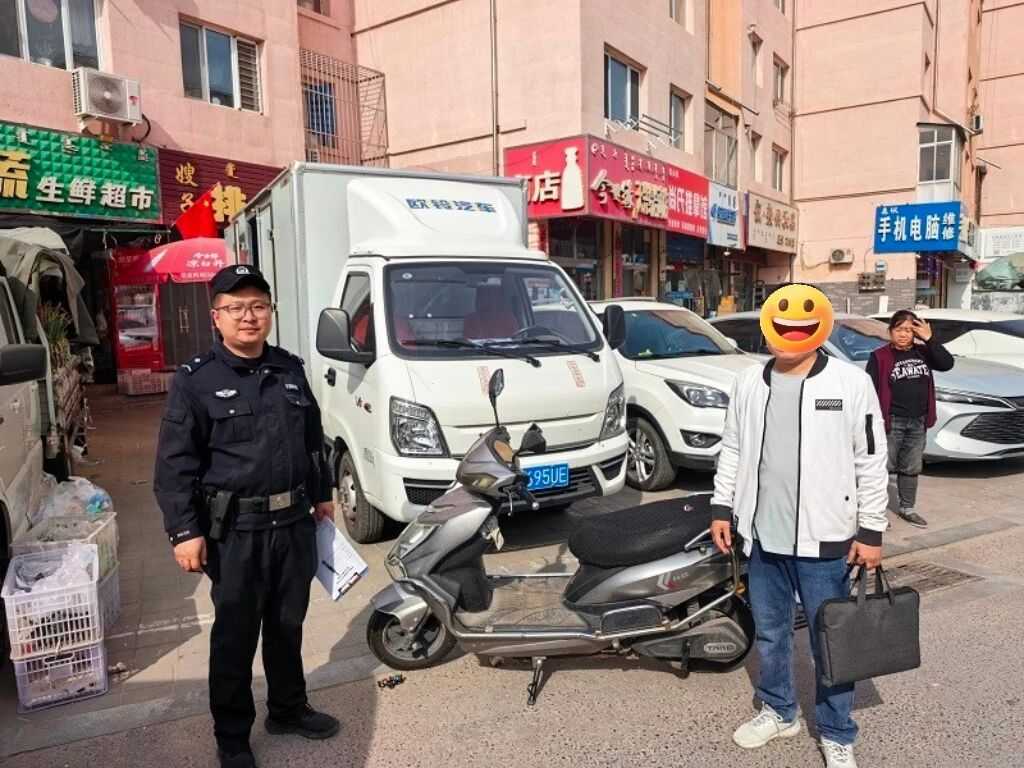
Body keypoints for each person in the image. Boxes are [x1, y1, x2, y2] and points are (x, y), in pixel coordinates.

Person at [154, 265, 339, 768]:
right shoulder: (196, 381)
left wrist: (322, 494)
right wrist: (184, 531)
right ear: (216, 317)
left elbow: (312, 439)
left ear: (270, 312)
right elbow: (174, 464)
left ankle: (288, 709)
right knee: (235, 636)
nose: (248, 316)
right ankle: (233, 736)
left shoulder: (288, 369)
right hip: (235, 532)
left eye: (258, 305)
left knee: (287, 624)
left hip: (293, 524)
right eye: (235, 308)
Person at [710, 284, 889, 768]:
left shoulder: (850, 383)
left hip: (825, 539)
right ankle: (779, 710)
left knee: (830, 639)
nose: (789, 331)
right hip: (762, 538)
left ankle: (836, 731)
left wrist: (871, 530)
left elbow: (871, 459)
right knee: (771, 634)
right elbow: (732, 447)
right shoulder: (749, 382)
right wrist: (722, 506)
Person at [866, 310, 954, 529]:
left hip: (918, 421)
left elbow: (947, 363)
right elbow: (869, 390)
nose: (904, 334)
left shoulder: (923, 352)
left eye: (908, 330)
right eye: (899, 329)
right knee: (882, 468)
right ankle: (875, 513)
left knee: (911, 467)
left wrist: (929, 339)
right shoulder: (879, 356)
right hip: (891, 421)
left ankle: (907, 509)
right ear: (890, 331)